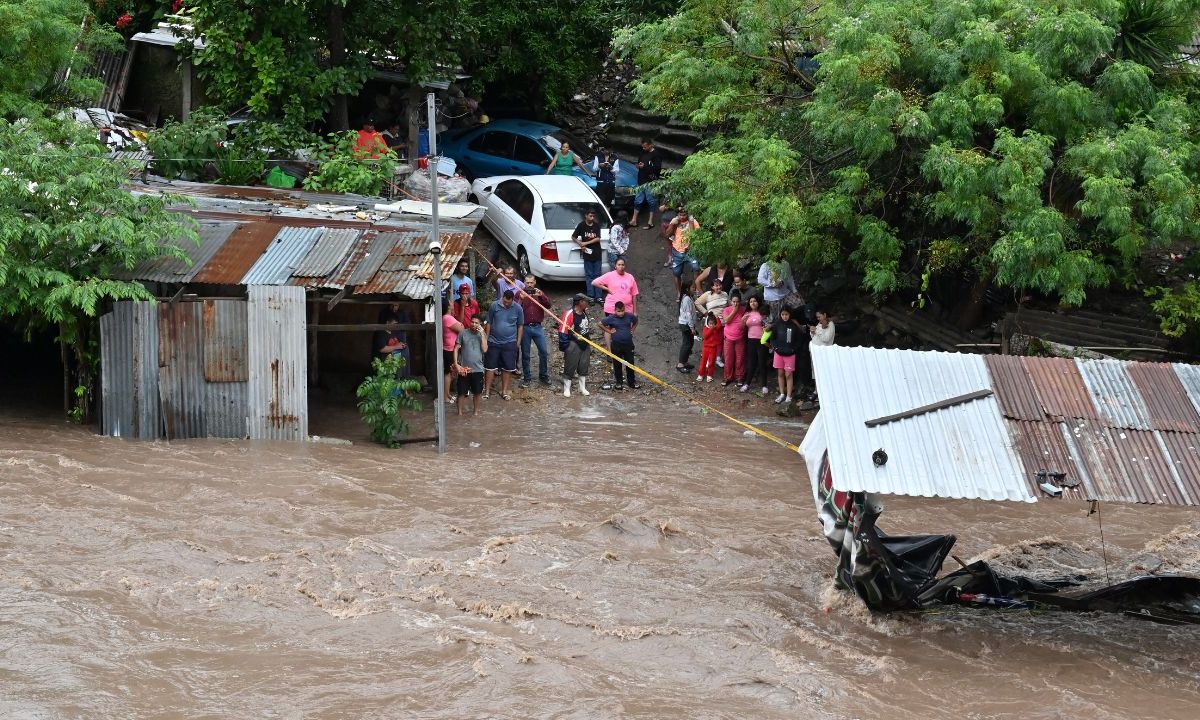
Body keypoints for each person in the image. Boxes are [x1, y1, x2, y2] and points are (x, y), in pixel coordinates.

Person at [483, 289, 524, 401]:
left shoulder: (518, 308)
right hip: (493, 341)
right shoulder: (494, 306)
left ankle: (504, 391)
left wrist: (518, 342)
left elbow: (520, 325)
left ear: (512, 300)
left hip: (510, 342)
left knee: (507, 368)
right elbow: (489, 322)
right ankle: (487, 391)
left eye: (508, 303)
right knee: (490, 367)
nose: (506, 304)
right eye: (505, 302)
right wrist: (486, 339)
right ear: (502, 298)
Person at [517, 275, 553, 388]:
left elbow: (548, 305)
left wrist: (542, 296)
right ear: (524, 282)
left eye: (531, 282)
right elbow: (514, 309)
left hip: (538, 327)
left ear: (535, 282)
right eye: (527, 282)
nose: (529, 285)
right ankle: (527, 378)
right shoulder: (519, 293)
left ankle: (543, 375)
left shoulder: (539, 293)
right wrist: (521, 300)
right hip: (525, 327)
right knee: (526, 354)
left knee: (543, 351)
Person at [769, 306, 806, 404]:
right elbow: (772, 337)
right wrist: (775, 347)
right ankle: (782, 394)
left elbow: (799, 339)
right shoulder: (777, 324)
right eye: (783, 314)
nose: (784, 316)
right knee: (780, 374)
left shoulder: (794, 325)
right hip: (779, 353)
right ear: (780, 315)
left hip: (790, 354)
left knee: (788, 374)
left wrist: (794, 349)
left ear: (790, 315)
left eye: (786, 314)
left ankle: (789, 396)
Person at [600, 301, 640, 391]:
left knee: (630, 363)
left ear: (624, 309)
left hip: (628, 345)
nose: (621, 313)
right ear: (615, 310)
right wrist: (609, 331)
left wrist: (632, 329)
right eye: (618, 311)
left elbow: (636, 321)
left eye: (622, 311)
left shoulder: (629, 316)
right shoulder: (611, 318)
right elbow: (600, 323)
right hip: (616, 345)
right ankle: (619, 383)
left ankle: (632, 382)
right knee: (617, 364)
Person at [559, 294, 593, 397]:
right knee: (570, 366)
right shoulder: (569, 314)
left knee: (584, 366)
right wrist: (566, 346)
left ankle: (582, 388)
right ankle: (567, 389)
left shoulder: (584, 312)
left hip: (585, 343)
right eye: (585, 301)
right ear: (580, 302)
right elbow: (563, 330)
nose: (587, 304)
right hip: (573, 344)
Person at [453, 315, 487, 417]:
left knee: (477, 393)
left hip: (478, 369)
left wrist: (482, 334)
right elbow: (456, 349)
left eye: (476, 323)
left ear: (480, 324)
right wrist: (456, 364)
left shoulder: (482, 335)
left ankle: (476, 413)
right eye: (472, 322)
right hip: (464, 369)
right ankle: (459, 414)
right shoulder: (463, 333)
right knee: (461, 393)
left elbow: (485, 350)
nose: (474, 324)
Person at [666, 208, 701, 294]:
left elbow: (695, 236)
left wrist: (691, 222)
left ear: (687, 214)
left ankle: (694, 288)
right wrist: (672, 224)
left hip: (690, 251)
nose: (682, 217)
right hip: (677, 251)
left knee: (696, 268)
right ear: (677, 214)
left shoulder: (693, 221)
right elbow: (667, 234)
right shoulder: (675, 221)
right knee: (676, 273)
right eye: (680, 215)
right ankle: (679, 292)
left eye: (684, 215)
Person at [572, 209, 604, 302]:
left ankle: (599, 296)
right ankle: (591, 295)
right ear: (586, 215)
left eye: (593, 216)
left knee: (597, 275)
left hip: (597, 253)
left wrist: (585, 243)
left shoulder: (596, 225)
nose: (592, 217)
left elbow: (597, 239)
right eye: (590, 215)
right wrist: (580, 243)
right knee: (589, 275)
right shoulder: (581, 225)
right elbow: (573, 236)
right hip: (587, 254)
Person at [630, 138, 662, 229]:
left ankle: (650, 221)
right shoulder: (643, 152)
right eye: (642, 147)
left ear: (650, 145)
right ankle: (634, 220)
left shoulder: (656, 155)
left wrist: (645, 167)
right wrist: (639, 165)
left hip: (650, 182)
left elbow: (657, 169)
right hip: (641, 180)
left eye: (645, 147)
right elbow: (640, 162)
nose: (643, 148)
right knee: (637, 200)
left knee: (651, 201)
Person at [742, 295, 770, 395]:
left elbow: (768, 325)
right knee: (751, 363)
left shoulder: (762, 312)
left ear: (758, 302)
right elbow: (742, 327)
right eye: (751, 302)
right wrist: (743, 319)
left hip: (761, 341)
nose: (753, 303)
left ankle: (764, 385)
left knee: (762, 363)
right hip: (750, 340)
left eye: (754, 301)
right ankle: (747, 384)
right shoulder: (747, 313)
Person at [758, 253, 798, 321]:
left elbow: (789, 278)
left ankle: (795, 325)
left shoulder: (786, 264)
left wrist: (794, 290)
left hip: (785, 294)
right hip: (772, 297)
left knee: (798, 303)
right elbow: (760, 280)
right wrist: (773, 284)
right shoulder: (766, 265)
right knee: (775, 317)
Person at [372, 305, 409, 377]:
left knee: (406, 350)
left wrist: (400, 344)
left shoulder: (393, 332)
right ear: (387, 322)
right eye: (394, 324)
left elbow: (395, 343)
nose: (395, 326)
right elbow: (382, 349)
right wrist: (396, 346)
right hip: (384, 364)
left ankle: (403, 377)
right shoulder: (380, 333)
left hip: (394, 363)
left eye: (396, 324)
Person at [441, 301, 465, 404]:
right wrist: (461, 325)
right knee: (447, 373)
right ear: (448, 306)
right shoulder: (447, 318)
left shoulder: (447, 317)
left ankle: (447, 394)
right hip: (449, 349)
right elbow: (462, 328)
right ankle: (445, 397)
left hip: (449, 348)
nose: (452, 303)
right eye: (450, 303)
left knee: (450, 373)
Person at [721, 294, 747, 388]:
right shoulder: (727, 309)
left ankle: (739, 377)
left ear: (740, 302)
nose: (735, 304)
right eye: (734, 302)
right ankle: (728, 377)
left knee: (740, 358)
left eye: (737, 302)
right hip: (728, 338)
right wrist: (734, 311)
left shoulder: (744, 310)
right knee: (728, 358)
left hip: (740, 338)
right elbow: (727, 320)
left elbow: (745, 324)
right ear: (730, 301)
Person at [676, 287, 697, 374]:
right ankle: (680, 364)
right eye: (692, 287)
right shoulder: (687, 299)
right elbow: (688, 314)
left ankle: (685, 362)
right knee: (687, 344)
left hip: (687, 324)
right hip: (686, 325)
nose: (694, 288)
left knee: (690, 343)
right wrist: (692, 328)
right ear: (687, 289)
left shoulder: (688, 297)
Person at [696, 314, 722, 383]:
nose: (711, 325)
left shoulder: (716, 328)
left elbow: (719, 325)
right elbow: (706, 336)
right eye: (710, 323)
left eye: (713, 323)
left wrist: (717, 318)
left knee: (711, 362)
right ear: (707, 323)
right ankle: (701, 374)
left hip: (713, 348)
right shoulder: (706, 329)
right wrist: (711, 329)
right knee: (703, 361)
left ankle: (709, 375)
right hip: (706, 348)